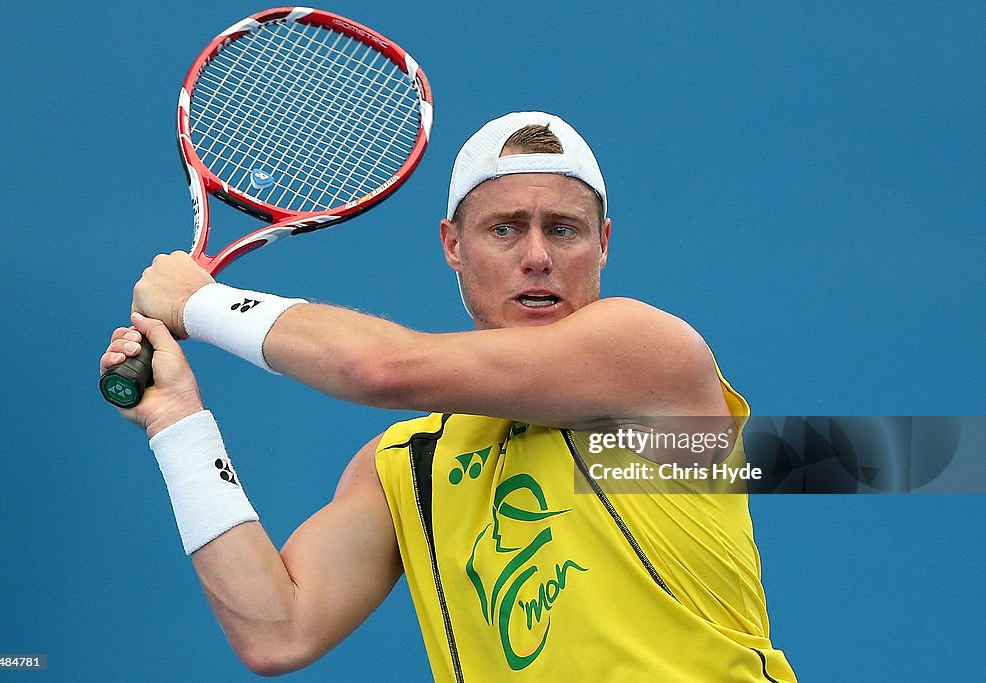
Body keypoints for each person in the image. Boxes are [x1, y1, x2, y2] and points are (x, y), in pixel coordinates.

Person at [101, 112, 796, 681]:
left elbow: (382, 369)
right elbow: (277, 631)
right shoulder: (406, 465)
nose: (537, 256)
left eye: (563, 229)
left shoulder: (648, 356)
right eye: (504, 228)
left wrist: (203, 303)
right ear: (452, 246)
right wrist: (177, 422)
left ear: (603, 244)